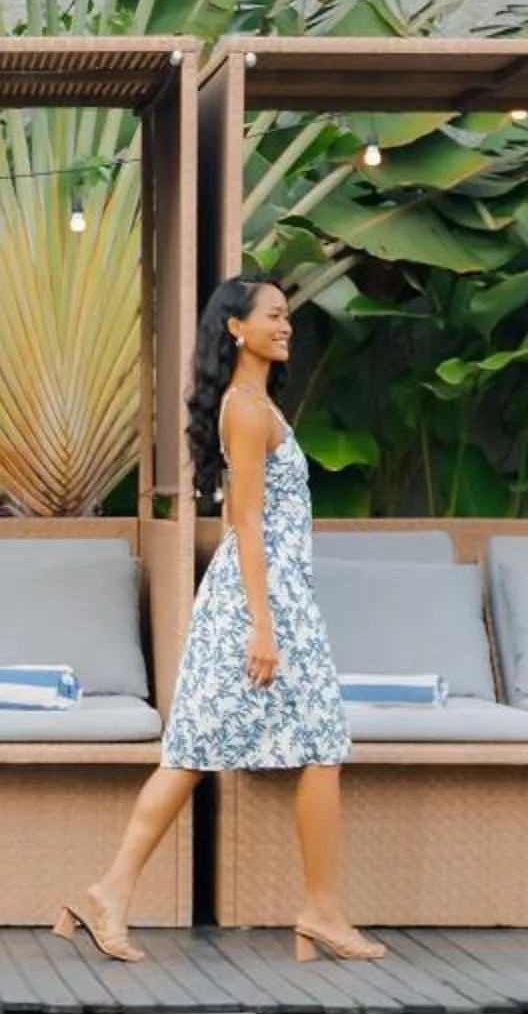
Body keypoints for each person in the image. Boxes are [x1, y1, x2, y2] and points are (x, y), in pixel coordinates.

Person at [53, 275, 388, 966]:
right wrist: (262, 625)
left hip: (272, 599)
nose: (286, 325)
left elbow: (248, 518)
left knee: (251, 747)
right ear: (236, 327)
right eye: (274, 315)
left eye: (288, 316)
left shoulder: (256, 405)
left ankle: (120, 893)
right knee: (231, 749)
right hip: (259, 604)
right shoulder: (246, 409)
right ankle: (310, 912)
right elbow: (246, 523)